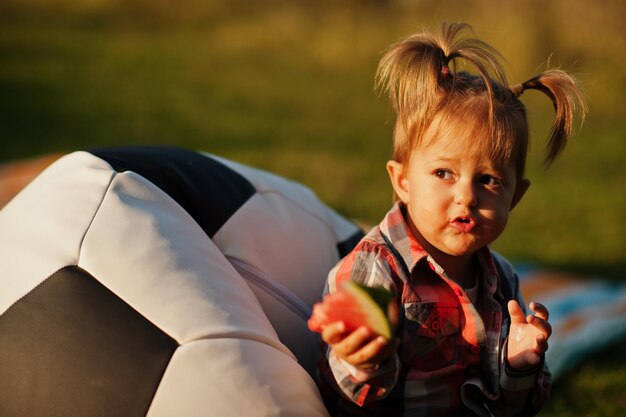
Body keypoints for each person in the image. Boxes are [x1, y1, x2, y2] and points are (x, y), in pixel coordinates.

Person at [317, 22, 586, 417]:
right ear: (403, 180)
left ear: (516, 197)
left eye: (489, 180)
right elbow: (346, 395)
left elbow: (515, 408)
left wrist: (518, 365)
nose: (466, 196)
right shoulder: (376, 270)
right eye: (444, 173)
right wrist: (362, 358)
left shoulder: (503, 282)